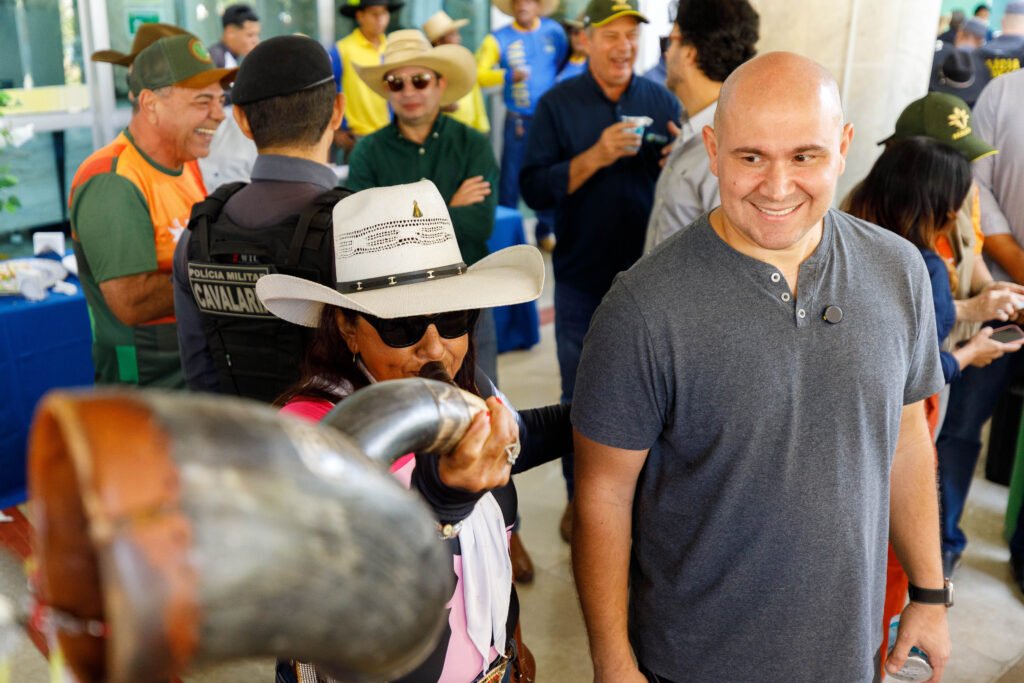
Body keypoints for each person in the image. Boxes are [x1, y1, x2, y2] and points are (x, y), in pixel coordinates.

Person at [570, 52, 952, 682]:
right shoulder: (643, 306)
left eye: (805, 156)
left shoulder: (899, 270)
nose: (777, 188)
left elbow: (906, 441)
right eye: (751, 158)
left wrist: (930, 595)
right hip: (691, 663)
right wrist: (612, 659)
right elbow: (603, 494)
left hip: (847, 656)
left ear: (844, 147)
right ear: (713, 149)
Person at [255, 179, 570, 683]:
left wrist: (599, 417)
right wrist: (442, 500)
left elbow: (510, 443)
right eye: (400, 325)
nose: (434, 348)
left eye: (452, 319)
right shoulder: (312, 430)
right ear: (347, 326)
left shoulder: (467, 390)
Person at [519, 0, 679, 541]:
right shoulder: (557, 104)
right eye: (612, 35)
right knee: (580, 397)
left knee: (653, 399)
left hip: (654, 282)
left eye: (633, 35)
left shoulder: (660, 100)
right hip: (583, 278)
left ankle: (639, 509)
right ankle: (580, 503)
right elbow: (533, 186)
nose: (624, 46)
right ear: (586, 40)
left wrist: (675, 160)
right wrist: (594, 156)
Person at [173, 35, 347, 402]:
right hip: (340, 450)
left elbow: (201, 378)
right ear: (337, 111)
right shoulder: (359, 229)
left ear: (242, 121)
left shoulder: (198, 236)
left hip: (240, 448)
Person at [69, 34, 235, 388]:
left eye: (221, 100)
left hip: (192, 364)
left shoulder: (185, 163)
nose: (219, 115)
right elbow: (132, 301)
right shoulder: (111, 180)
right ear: (151, 104)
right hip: (148, 380)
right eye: (203, 101)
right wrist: (227, 277)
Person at [346, 29, 499, 384]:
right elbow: (361, 241)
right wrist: (448, 208)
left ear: (440, 84)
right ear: (386, 91)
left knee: (480, 400)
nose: (409, 91)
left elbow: (479, 224)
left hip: (465, 301)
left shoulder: (473, 143)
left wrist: (394, 224)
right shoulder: (367, 151)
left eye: (419, 79)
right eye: (396, 83)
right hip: (394, 321)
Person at [937, 67, 1024, 597]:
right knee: (961, 425)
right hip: (1001, 286)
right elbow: (979, 186)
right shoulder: (1005, 90)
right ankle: (940, 539)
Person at [643, 0, 759, 253]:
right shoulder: (693, 130)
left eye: (670, 41)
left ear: (689, 53)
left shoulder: (727, 150)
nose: (666, 53)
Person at [477, 0, 568, 250]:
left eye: (528, 0)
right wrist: (507, 75)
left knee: (550, 175)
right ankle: (508, 240)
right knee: (510, 180)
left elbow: (562, 64)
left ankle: (545, 231)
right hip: (518, 122)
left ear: (538, 4)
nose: (523, 5)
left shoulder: (555, 32)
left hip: (549, 120)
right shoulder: (497, 38)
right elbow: (478, 74)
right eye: (517, 1)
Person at [329, 0, 404, 156]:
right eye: (375, 14)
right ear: (360, 16)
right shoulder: (342, 50)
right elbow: (328, 91)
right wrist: (334, 129)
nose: (380, 19)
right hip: (355, 138)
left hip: (390, 135)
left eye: (384, 13)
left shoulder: (393, 49)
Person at [423, 10, 490, 134]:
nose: (459, 38)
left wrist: (481, 127)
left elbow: (475, 97)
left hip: (468, 131)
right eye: (452, 35)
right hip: (441, 133)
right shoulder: (427, 70)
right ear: (438, 41)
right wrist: (441, 107)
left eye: (457, 34)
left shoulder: (464, 62)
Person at [208, 3, 260, 69]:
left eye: (257, 35)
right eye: (250, 35)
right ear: (230, 32)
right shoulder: (215, 58)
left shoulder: (234, 58)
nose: (256, 41)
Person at [555, 14, 587, 83]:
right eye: (576, 32)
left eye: (585, 34)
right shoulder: (562, 59)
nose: (580, 38)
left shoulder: (595, 67)